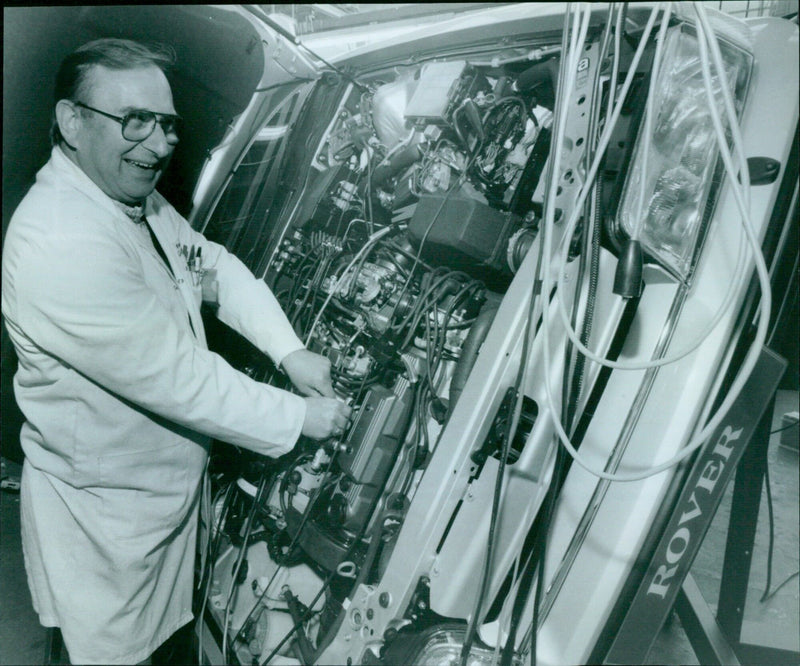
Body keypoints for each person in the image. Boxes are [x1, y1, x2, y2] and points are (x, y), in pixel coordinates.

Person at [1, 38, 352, 665]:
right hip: (108, 526)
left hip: (159, 505)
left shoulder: (132, 203)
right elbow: (180, 378)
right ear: (71, 121)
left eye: (167, 125)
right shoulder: (59, 238)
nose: (159, 143)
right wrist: (301, 417)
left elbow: (211, 265)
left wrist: (291, 351)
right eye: (134, 120)